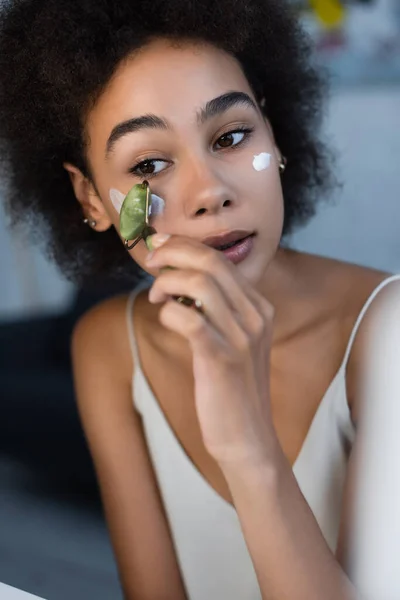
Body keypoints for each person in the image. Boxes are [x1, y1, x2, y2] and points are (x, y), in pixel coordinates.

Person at [0, 1, 399, 598]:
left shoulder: (387, 333)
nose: (210, 192)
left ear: (274, 131)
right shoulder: (108, 346)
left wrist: (247, 442)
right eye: (150, 163)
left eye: (232, 136)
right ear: (90, 199)